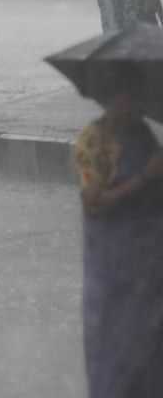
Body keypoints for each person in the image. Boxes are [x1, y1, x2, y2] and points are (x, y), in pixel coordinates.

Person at [74, 69, 163, 397]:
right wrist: (145, 176)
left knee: (150, 354)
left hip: (148, 269)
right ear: (113, 97)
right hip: (113, 270)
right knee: (114, 355)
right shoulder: (95, 140)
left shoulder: (141, 135)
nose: (137, 105)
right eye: (131, 96)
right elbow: (93, 203)